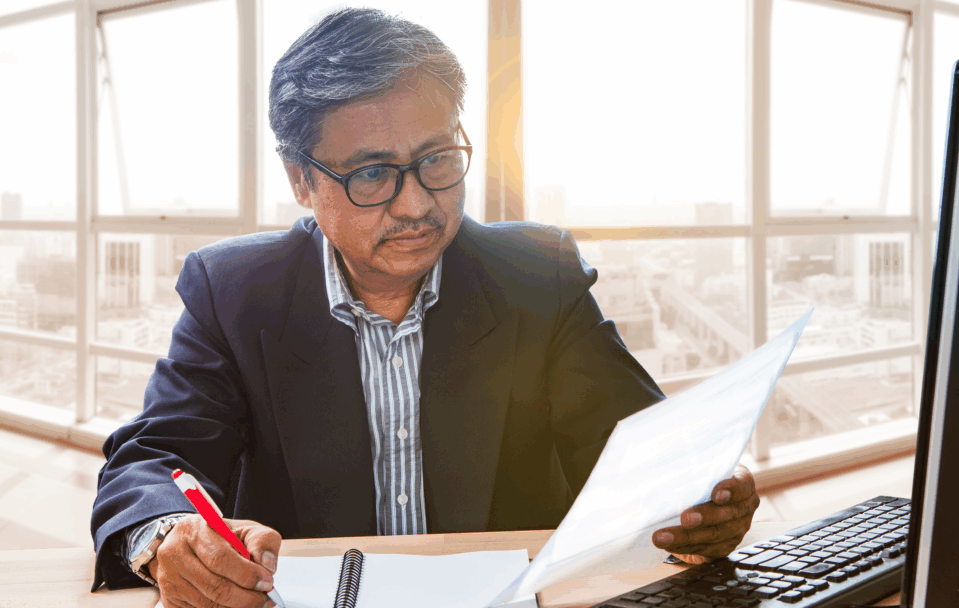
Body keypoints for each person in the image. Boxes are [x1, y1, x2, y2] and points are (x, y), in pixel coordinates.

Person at [90, 7, 760, 607]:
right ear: (301, 180)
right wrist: (169, 539)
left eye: (437, 158)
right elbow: (152, 459)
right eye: (372, 174)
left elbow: (636, 452)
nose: (416, 204)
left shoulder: (537, 275)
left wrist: (700, 499)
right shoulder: (234, 291)